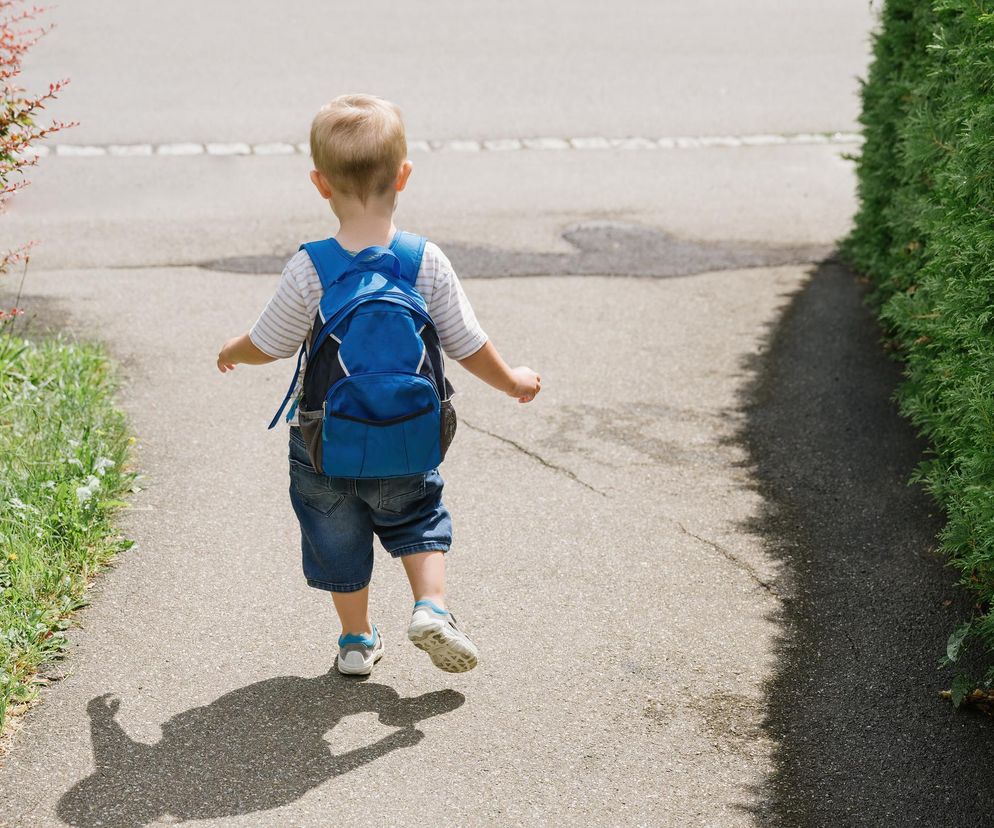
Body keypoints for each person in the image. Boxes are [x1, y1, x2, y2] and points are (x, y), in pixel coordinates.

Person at [216, 94, 541, 676]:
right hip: (407, 436)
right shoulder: (425, 261)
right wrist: (513, 379)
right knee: (418, 517)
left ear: (320, 184)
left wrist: (232, 351)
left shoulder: (311, 266)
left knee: (336, 537)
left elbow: (271, 342)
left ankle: (357, 642)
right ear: (404, 176)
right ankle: (432, 608)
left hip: (325, 444)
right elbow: (467, 342)